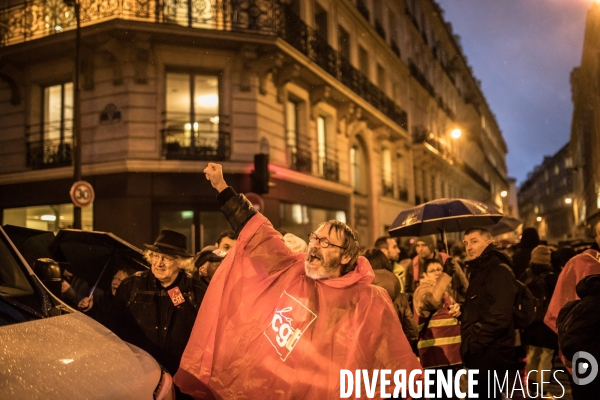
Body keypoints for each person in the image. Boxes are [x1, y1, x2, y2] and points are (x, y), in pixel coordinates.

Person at [174, 163, 422, 399]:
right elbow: (258, 231)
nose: (315, 246)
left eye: (325, 243)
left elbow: (395, 361)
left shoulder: (366, 300)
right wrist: (222, 187)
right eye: (314, 238)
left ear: (346, 256)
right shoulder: (292, 267)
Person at [111, 229, 207, 378]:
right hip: (139, 376)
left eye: (166, 258)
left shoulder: (197, 291)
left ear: (180, 261)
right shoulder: (131, 286)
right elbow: (114, 329)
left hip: (182, 378)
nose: (159, 264)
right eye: (155, 256)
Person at [460, 227, 517, 400]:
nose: (468, 247)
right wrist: (461, 310)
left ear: (488, 242)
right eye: (466, 243)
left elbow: (500, 315)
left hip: (491, 352)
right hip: (482, 351)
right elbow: (481, 307)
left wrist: (475, 341)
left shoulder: (497, 270)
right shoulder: (479, 270)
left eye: (474, 241)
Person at [413, 259, 462, 399]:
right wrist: (445, 274)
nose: (436, 273)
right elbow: (432, 301)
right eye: (432, 270)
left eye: (439, 269)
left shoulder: (447, 291)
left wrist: (458, 309)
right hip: (434, 357)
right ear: (424, 275)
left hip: (451, 357)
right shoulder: (422, 290)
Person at [545, 221, 600, 335]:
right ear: (596, 237)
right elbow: (561, 308)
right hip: (587, 337)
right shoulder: (579, 263)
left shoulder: (578, 263)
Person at [520, 245, 558, 396]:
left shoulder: (526, 275)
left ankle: (531, 386)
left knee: (532, 353)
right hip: (547, 322)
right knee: (546, 355)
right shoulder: (552, 277)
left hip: (530, 322)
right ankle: (542, 390)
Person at [556, 274, 600, 400]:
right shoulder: (594, 305)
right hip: (593, 370)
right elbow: (573, 343)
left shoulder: (584, 304)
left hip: (584, 368)